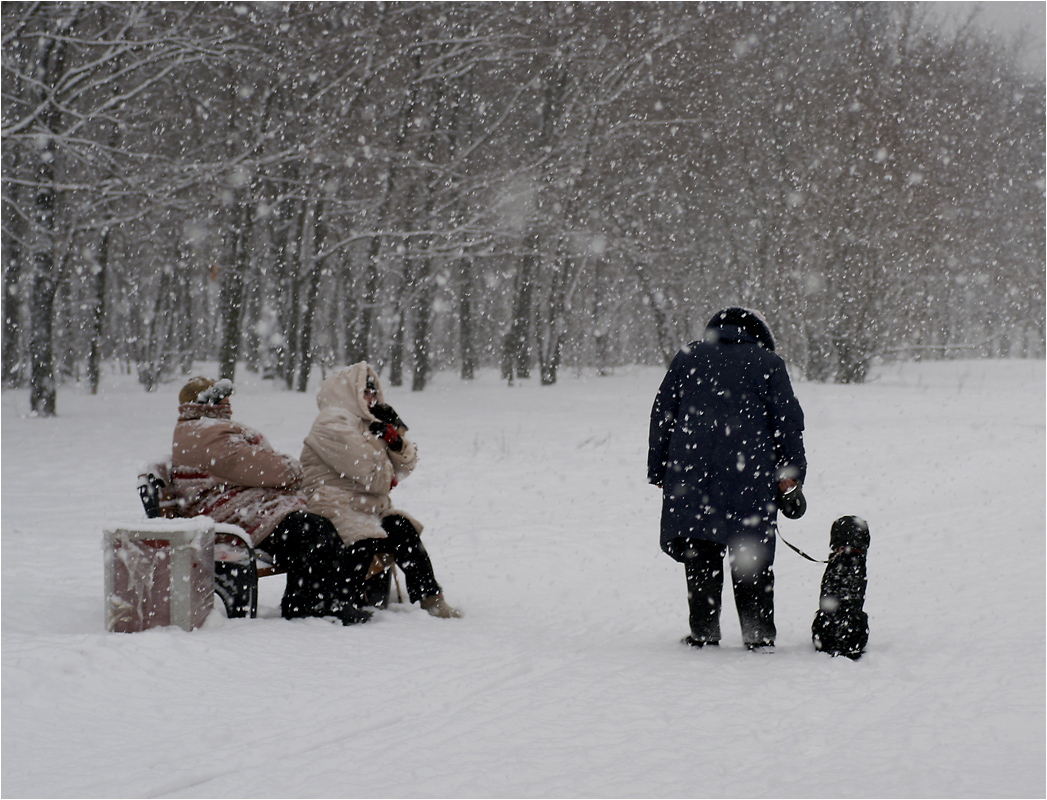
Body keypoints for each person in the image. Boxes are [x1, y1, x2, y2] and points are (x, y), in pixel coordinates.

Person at [648, 308, 806, 651]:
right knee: (751, 554)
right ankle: (757, 634)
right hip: (748, 475)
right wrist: (791, 473)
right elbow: (787, 422)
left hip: (692, 475)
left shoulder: (688, 357)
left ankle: (704, 632)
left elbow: (663, 414)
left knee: (701, 552)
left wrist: (658, 468)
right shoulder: (767, 363)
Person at [171, 376, 371, 625]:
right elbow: (274, 470)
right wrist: (290, 468)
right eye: (223, 397)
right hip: (231, 518)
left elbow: (255, 466)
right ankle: (310, 604)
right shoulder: (209, 435)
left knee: (315, 528)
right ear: (208, 402)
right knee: (312, 531)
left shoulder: (200, 430)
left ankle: (324, 600)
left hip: (238, 510)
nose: (228, 402)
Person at [300, 362, 461, 618]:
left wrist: (396, 441)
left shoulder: (365, 423)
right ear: (348, 392)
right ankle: (342, 602)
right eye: (366, 392)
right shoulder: (331, 423)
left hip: (366, 508)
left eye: (374, 392)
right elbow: (370, 473)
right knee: (365, 535)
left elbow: (404, 469)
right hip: (334, 507)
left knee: (402, 528)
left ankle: (430, 597)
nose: (372, 398)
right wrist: (386, 466)